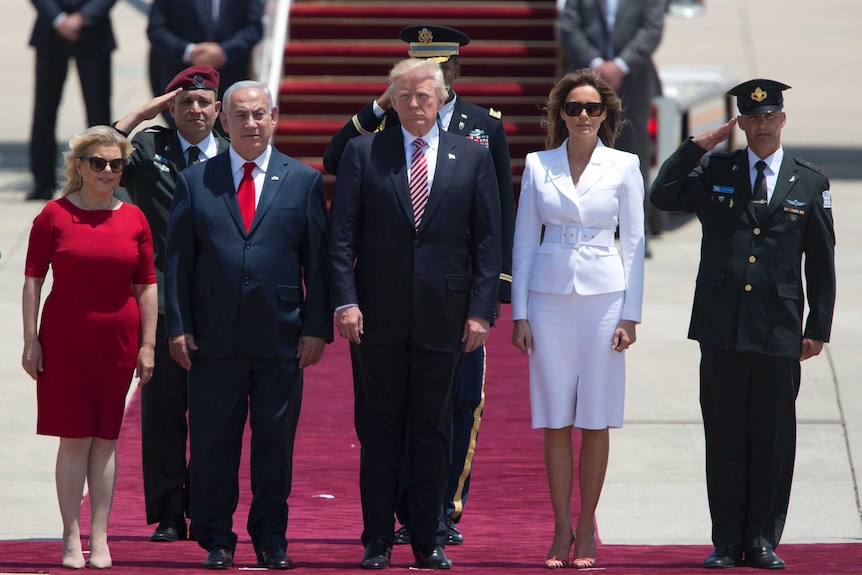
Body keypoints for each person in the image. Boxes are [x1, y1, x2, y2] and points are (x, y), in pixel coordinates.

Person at [323, 23, 515, 547]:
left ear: (446, 90)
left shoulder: (478, 139)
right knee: (381, 430)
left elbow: (491, 229)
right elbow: (341, 226)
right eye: (404, 94)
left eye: (425, 92)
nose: (414, 102)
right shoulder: (371, 148)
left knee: (439, 425)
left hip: (447, 313)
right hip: (381, 313)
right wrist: (346, 300)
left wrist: (485, 305)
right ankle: (379, 538)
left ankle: (433, 528)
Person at [650, 79, 836, 570]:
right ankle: (727, 540)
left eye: (768, 117)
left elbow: (821, 261)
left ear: (782, 119)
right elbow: (664, 196)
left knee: (772, 438)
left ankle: (763, 539)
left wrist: (818, 326)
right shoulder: (718, 169)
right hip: (721, 326)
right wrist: (696, 146)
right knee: (726, 435)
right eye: (751, 118)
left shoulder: (809, 180)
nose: (760, 126)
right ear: (741, 122)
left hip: (778, 330)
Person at [164, 80, 331, 570]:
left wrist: (315, 326)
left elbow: (317, 263)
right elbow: (178, 262)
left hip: (281, 334)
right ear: (223, 119)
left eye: (260, 114)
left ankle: (270, 537)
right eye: (241, 115)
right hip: (213, 334)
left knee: (274, 442)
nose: (252, 124)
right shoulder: (196, 181)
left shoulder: (302, 180)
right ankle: (216, 535)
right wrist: (178, 326)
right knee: (214, 440)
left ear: (274, 116)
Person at [511, 69, 645, 570]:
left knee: (595, 416)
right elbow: (524, 241)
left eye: (592, 108)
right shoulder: (537, 164)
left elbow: (633, 242)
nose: (583, 116)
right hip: (546, 298)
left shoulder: (624, 164)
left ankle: (587, 523)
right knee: (554, 416)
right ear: (559, 114)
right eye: (573, 108)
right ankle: (560, 526)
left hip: (605, 296)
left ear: (606, 114)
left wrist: (632, 315)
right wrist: (519, 313)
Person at [21, 125, 157, 569]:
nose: (107, 171)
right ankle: (70, 536)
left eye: (115, 164)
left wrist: (148, 345)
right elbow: (33, 281)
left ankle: (100, 536)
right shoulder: (54, 216)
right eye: (98, 163)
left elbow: (147, 285)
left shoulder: (135, 218)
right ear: (79, 166)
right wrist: (30, 340)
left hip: (118, 339)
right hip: (65, 339)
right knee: (75, 438)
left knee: (106, 438)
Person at [113, 64, 230, 544]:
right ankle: (167, 511)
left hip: (219, 302)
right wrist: (146, 113)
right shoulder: (148, 150)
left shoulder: (234, 152)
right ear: (171, 109)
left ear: (218, 109)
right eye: (185, 103)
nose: (195, 110)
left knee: (213, 411)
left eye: (204, 103)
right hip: (158, 299)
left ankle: (205, 508)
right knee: (163, 409)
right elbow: (95, 148)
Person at [558, 0, 665, 251]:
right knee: (582, 151)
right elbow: (569, 25)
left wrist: (620, 66)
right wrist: (596, 65)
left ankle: (639, 230)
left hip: (633, 81)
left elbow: (651, 29)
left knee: (634, 153)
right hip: (586, 80)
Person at [27, 0, 118, 201]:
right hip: (51, 31)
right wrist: (58, 19)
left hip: (94, 30)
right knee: (44, 110)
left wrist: (83, 17)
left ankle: (103, 174)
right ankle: (42, 181)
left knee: (99, 113)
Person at [147, 0, 263, 105]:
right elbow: (156, 29)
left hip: (230, 79)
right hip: (182, 80)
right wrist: (189, 52)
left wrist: (223, 52)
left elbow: (254, 27)